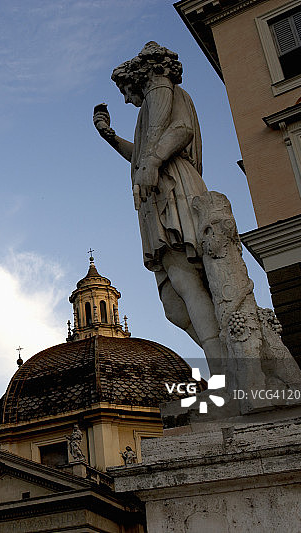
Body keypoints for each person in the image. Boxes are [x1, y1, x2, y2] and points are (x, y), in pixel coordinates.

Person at [93, 41, 226, 373]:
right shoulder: (148, 110)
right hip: (156, 192)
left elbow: (181, 131)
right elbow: (139, 152)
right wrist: (110, 136)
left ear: (139, 79)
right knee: (174, 305)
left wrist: (152, 162)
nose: (125, 99)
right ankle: (224, 357)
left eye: (125, 90)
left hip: (171, 186)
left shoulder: (163, 92)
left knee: (186, 280)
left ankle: (227, 368)